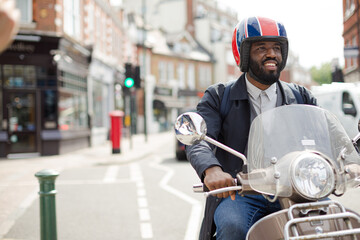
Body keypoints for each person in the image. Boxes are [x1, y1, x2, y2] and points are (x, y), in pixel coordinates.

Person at [186, 16, 317, 240]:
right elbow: (199, 138)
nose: (272, 54)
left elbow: (323, 137)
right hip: (242, 193)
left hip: (295, 189)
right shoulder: (218, 96)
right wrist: (212, 169)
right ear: (243, 54)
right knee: (232, 226)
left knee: (332, 221)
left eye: (277, 47)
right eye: (261, 48)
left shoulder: (300, 95)